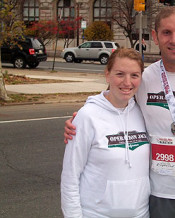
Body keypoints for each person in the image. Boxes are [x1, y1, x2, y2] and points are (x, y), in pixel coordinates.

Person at [64, 6, 175, 218]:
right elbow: (111, 98)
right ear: (155, 36)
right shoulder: (144, 78)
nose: (174, 40)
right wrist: (79, 118)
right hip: (159, 196)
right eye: (166, 33)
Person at [61, 48, 150, 218]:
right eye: (120, 74)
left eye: (134, 75)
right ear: (107, 74)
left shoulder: (142, 112)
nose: (127, 82)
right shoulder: (87, 116)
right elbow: (70, 177)